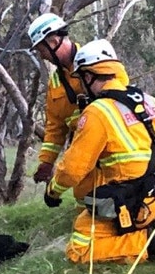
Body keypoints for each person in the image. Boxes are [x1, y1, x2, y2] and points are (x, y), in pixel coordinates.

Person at [43, 38, 155, 267]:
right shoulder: (149, 101)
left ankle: (147, 242)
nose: (81, 87)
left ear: (90, 76)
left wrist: (53, 191)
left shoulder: (97, 112)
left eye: (82, 80)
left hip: (131, 201)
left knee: (80, 246)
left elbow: (73, 169)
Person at [27, 13, 105, 205]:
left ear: (53, 41)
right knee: (90, 205)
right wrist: (46, 162)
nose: (42, 55)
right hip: (84, 157)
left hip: (108, 152)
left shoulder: (95, 62)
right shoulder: (55, 83)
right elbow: (55, 126)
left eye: (41, 50)